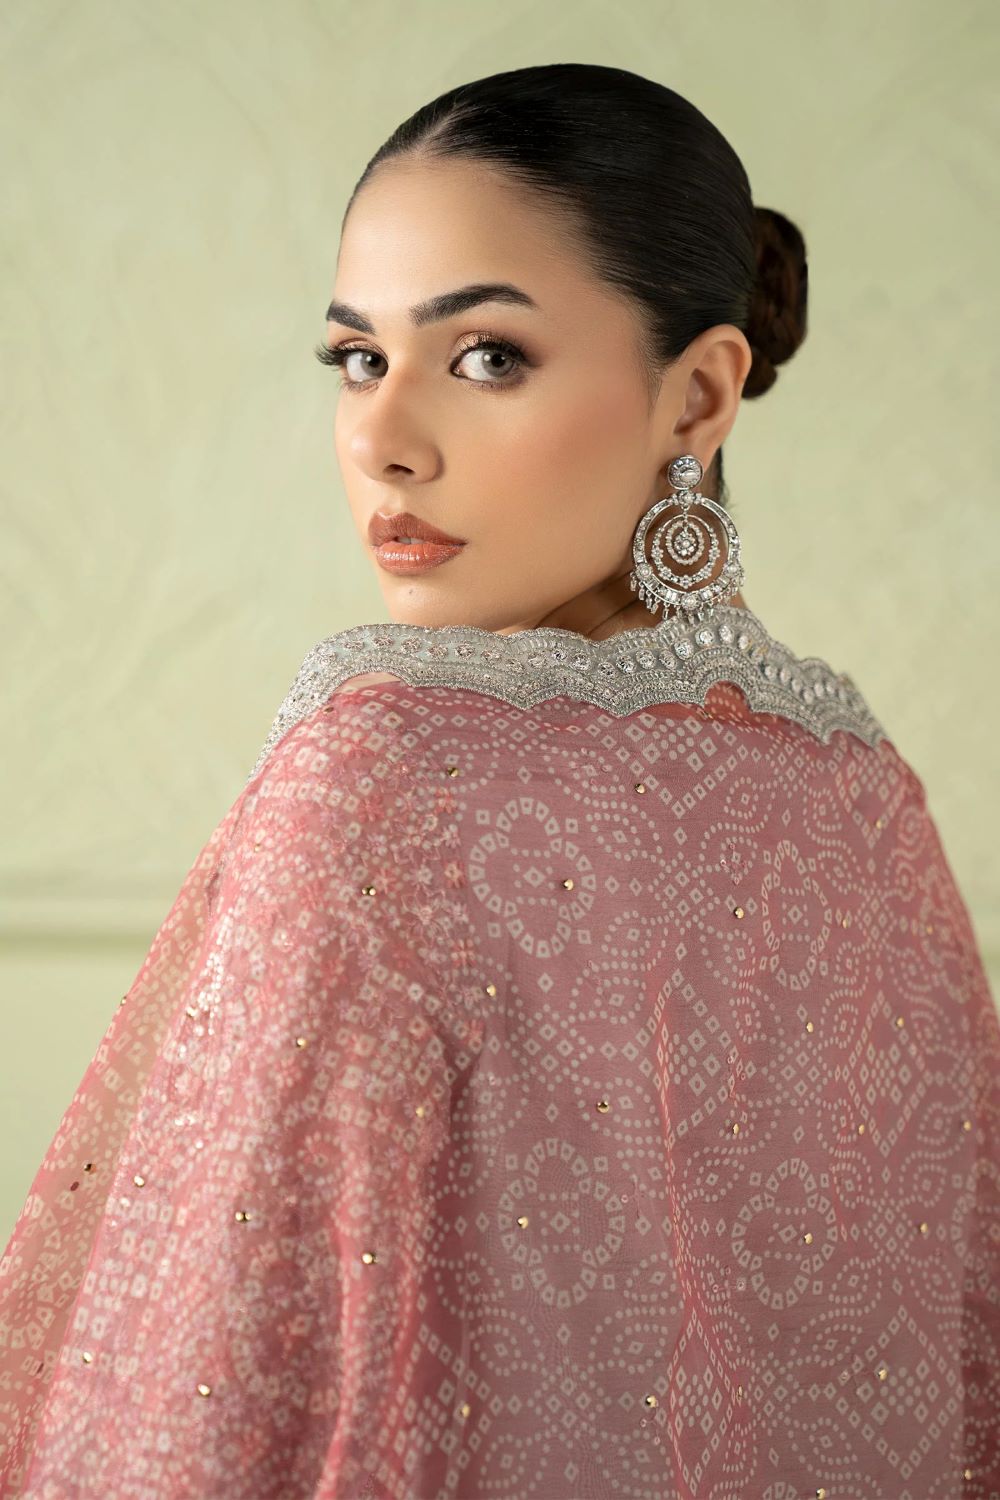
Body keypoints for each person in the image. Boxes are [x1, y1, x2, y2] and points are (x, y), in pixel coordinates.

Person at [1, 62, 997, 1500]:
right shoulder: (863, 799)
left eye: (484, 358)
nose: (381, 441)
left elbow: (200, 1403)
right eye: (358, 359)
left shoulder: (381, 769)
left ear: (698, 394)